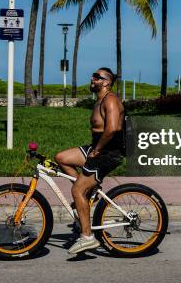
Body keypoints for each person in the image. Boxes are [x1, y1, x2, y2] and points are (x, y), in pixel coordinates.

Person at [54, 67, 125, 254]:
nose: (92, 78)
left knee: (76, 189)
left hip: (108, 152)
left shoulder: (111, 100)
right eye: (93, 75)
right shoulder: (100, 100)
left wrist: (98, 150)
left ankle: (87, 237)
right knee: (61, 158)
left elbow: (111, 129)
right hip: (97, 148)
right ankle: (87, 190)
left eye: (97, 77)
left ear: (106, 82)